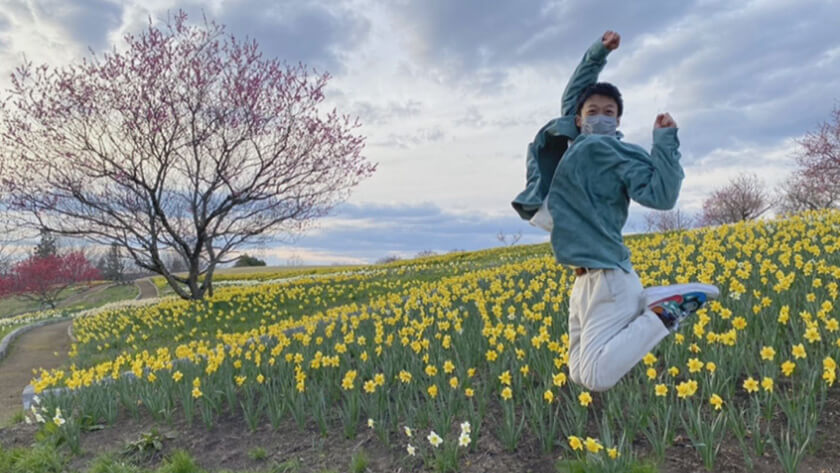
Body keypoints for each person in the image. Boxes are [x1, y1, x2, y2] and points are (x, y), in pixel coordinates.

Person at [511, 30, 719, 392]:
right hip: (583, 281)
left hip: (610, 277)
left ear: (618, 122)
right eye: (594, 111)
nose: (602, 117)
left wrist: (665, 143)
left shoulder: (622, 155)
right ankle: (654, 306)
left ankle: (665, 311)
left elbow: (662, 195)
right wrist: (599, 52)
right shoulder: (576, 142)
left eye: (610, 113)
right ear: (579, 118)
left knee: (597, 377)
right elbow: (575, 90)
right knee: (577, 372)